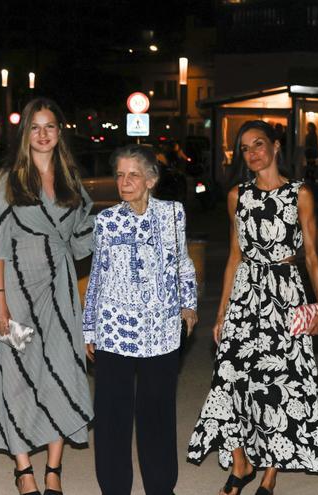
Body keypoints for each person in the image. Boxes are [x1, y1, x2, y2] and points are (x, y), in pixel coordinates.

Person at [187, 120, 318, 494]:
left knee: (280, 382)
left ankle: (270, 473)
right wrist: (221, 313)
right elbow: (235, 256)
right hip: (245, 293)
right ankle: (242, 464)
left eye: (258, 145)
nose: (252, 153)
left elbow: (312, 256)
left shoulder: (299, 193)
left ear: (274, 147)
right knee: (229, 377)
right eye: (245, 149)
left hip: (285, 294)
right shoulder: (238, 195)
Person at [0, 98, 95, 495]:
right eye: (35, 127)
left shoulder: (71, 181)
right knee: (15, 377)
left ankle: (53, 467)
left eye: (50, 126)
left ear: (59, 133)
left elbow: (86, 234)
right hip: (15, 288)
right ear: (25, 134)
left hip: (60, 292)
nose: (43, 134)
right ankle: (23, 468)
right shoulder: (8, 180)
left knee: (62, 372)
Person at [82, 144, 198, 495]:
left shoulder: (173, 214)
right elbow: (97, 277)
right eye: (120, 174)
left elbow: (183, 263)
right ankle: (114, 489)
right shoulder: (106, 220)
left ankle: (161, 487)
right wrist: (89, 327)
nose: (125, 181)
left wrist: (189, 306)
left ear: (151, 179)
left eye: (133, 174)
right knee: (113, 417)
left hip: (161, 331)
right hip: (114, 329)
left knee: (157, 415)